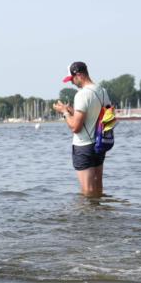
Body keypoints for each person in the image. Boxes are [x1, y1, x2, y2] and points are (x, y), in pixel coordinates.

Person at [52, 61, 112, 196]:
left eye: (72, 79)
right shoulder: (102, 91)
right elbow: (98, 116)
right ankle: (101, 215)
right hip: (99, 144)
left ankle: (86, 216)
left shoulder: (82, 95)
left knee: (88, 192)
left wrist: (65, 113)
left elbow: (75, 127)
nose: (72, 83)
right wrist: (71, 110)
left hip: (84, 146)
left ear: (79, 75)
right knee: (98, 189)